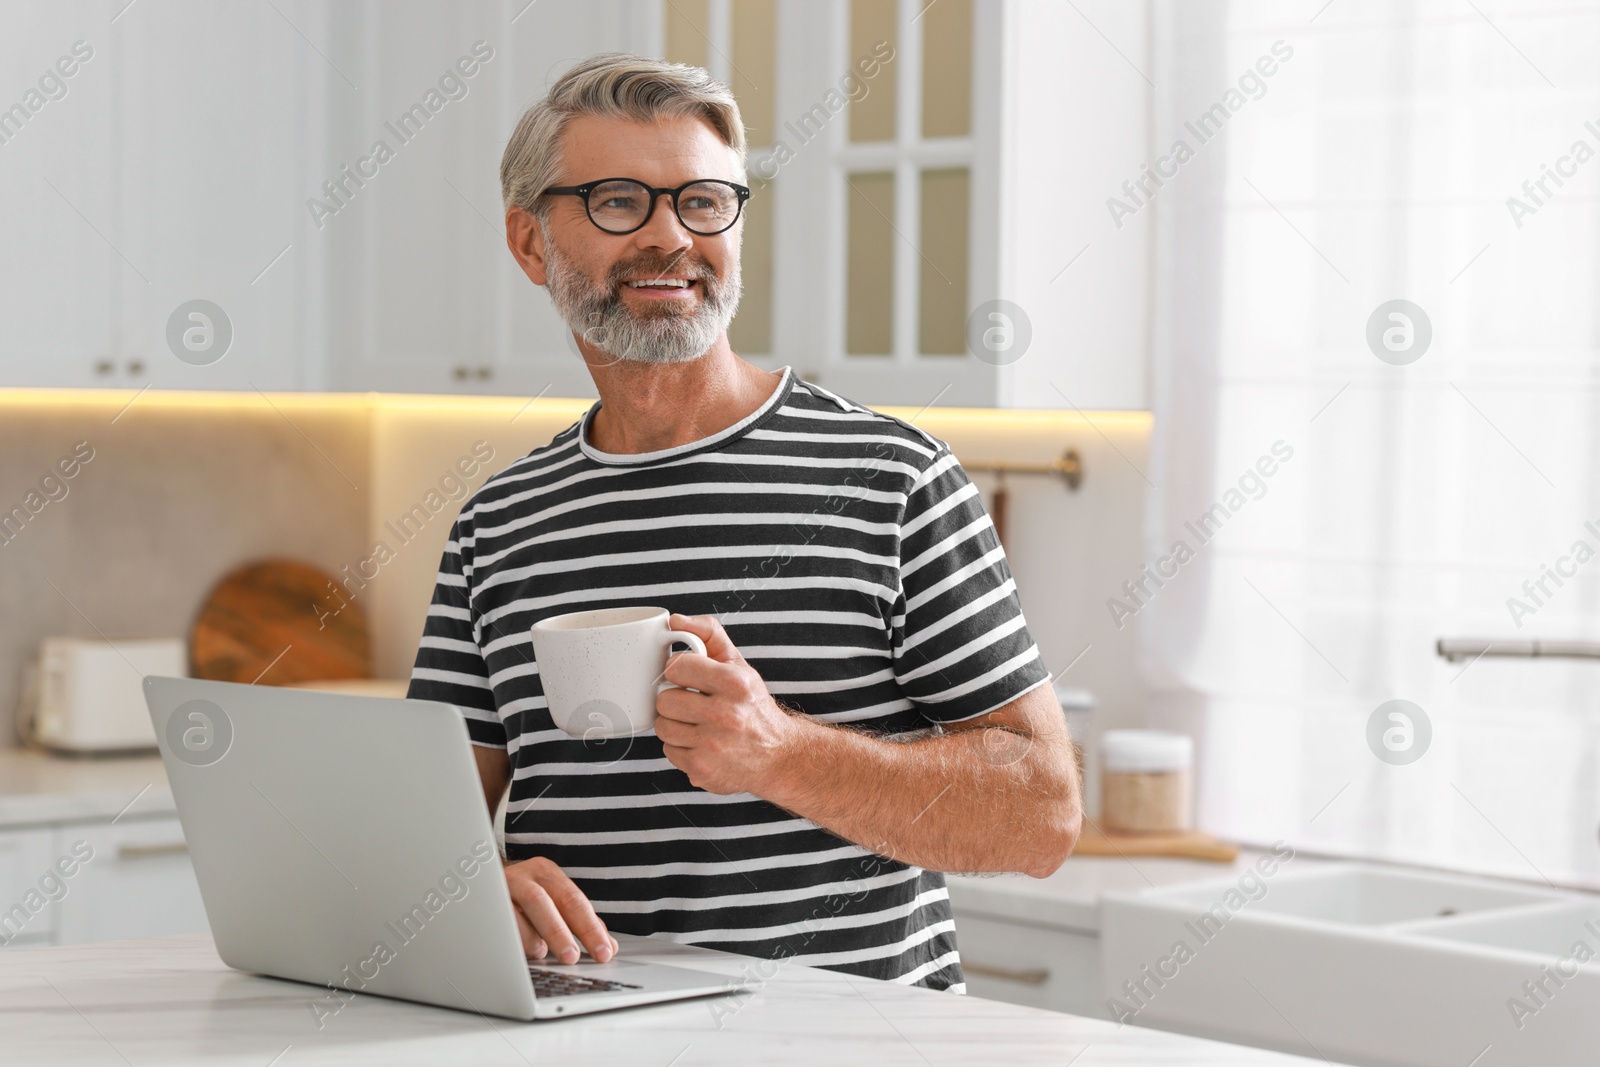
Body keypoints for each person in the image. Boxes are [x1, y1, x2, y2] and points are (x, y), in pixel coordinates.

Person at [406, 53, 1080, 994]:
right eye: (616, 202)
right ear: (530, 243)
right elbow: (415, 836)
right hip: (581, 1041)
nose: (670, 236)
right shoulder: (500, 525)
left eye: (704, 201)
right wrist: (473, 890)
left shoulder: (890, 480)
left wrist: (781, 752)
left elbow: (1042, 814)